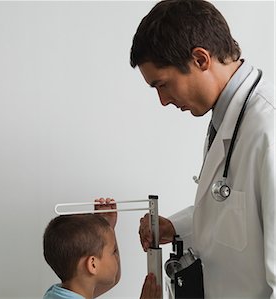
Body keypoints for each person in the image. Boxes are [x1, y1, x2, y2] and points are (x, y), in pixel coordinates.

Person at [130, 0, 275, 298]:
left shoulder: (268, 127)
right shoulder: (226, 120)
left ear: (200, 59)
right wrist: (176, 227)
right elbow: (238, 217)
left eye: (163, 85)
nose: (163, 101)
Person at [43, 198, 161, 299]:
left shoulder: (57, 293)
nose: (116, 256)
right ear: (93, 264)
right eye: (113, 251)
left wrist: (108, 227)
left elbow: (113, 279)